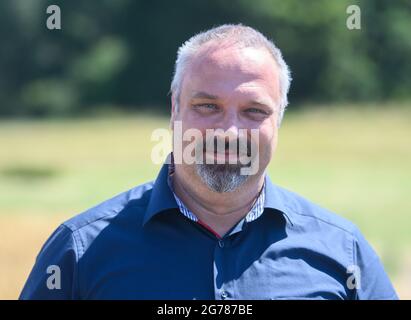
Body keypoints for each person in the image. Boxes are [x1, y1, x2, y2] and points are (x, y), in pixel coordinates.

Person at [20, 24, 398, 300]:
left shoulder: (343, 253)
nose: (229, 132)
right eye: (207, 106)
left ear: (278, 120)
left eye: (254, 111)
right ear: (174, 108)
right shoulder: (80, 252)